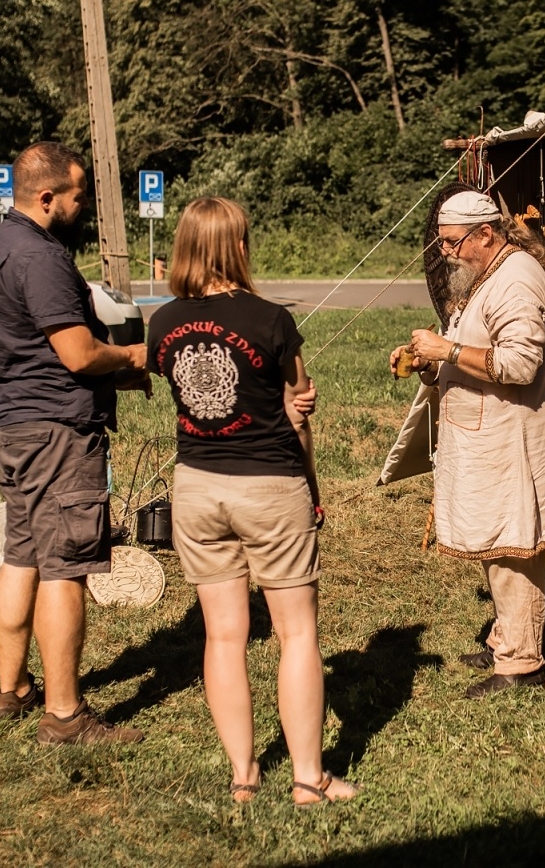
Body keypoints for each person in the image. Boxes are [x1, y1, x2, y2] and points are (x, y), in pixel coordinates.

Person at [145, 196, 356, 805]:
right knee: (296, 635)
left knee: (223, 637)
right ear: (237, 246)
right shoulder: (271, 320)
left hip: (196, 488)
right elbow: (298, 411)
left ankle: (243, 775)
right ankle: (308, 778)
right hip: (270, 486)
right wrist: (313, 489)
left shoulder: (161, 323)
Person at [0, 141, 149, 745]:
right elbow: (75, 352)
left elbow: (38, 346)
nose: (84, 204)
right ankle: (66, 715)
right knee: (65, 568)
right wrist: (130, 355)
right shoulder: (41, 256)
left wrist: (118, 373)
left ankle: (13, 688)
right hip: (57, 432)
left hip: (17, 424)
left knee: (21, 554)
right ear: (47, 197)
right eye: (78, 195)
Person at [390, 190, 545, 698]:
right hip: (490, 434)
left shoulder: (516, 282)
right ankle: (504, 641)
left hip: (514, 438)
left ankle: (521, 663)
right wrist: (429, 361)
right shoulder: (488, 274)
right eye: (442, 242)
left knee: (514, 547)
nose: (445, 252)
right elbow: (481, 348)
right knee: (498, 542)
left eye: (452, 242)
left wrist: (445, 348)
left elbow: (518, 365)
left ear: (486, 234)